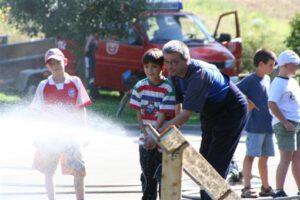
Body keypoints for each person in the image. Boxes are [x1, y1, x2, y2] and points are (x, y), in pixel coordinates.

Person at [161, 40, 248, 200]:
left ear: (186, 60)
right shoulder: (173, 75)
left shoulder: (198, 76)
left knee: (214, 167)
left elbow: (185, 115)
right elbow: (177, 105)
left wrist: (161, 132)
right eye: (166, 62)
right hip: (211, 111)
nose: (169, 66)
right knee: (202, 162)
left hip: (231, 110)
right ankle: (226, 170)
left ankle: (228, 170)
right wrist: (171, 133)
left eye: (174, 62)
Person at [31, 48, 92, 200]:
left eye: (57, 62)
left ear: (64, 62)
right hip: (50, 137)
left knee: (78, 170)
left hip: (71, 136)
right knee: (49, 172)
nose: (55, 66)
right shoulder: (43, 85)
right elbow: (37, 114)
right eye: (51, 63)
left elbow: (81, 109)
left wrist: (84, 133)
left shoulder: (75, 82)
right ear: (47, 67)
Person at [129, 48, 176, 200]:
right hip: (146, 138)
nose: (150, 70)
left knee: (163, 175)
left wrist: (154, 135)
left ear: (162, 67)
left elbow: (163, 114)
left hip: (162, 138)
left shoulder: (167, 88)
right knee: (147, 175)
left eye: (154, 66)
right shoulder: (140, 86)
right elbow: (139, 112)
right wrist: (144, 133)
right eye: (146, 66)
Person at [237, 49, 276, 198]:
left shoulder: (266, 79)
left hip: (268, 126)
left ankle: (265, 187)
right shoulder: (250, 79)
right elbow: (234, 90)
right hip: (255, 127)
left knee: (265, 156)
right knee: (251, 155)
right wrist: (248, 101)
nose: (273, 68)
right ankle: (246, 187)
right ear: (261, 64)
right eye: (271, 65)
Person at [268, 50, 300, 198]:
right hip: (285, 124)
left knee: (297, 158)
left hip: (297, 123)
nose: (297, 69)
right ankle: (279, 190)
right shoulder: (278, 82)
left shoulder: (293, 82)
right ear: (285, 65)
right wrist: (285, 122)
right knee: (286, 159)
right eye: (295, 66)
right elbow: (272, 104)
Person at [84, 33, 99, 98]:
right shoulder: (92, 41)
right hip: (89, 59)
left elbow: (86, 50)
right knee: (89, 77)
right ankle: (90, 92)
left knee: (90, 77)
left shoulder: (93, 41)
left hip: (91, 60)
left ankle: (91, 92)